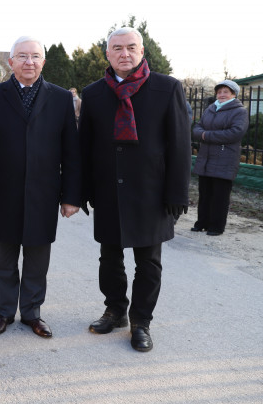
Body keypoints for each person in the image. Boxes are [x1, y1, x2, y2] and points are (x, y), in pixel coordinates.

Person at [79, 26, 190, 352]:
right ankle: (115, 310)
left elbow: (181, 146)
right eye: (117, 48)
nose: (124, 53)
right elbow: (84, 145)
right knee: (109, 257)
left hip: (152, 193)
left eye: (130, 47)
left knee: (148, 262)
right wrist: (83, 189)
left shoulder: (167, 88)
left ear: (142, 52)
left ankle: (142, 321)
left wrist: (177, 193)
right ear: (107, 53)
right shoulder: (94, 93)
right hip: (109, 190)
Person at [0, 36, 81, 339]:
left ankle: (32, 313)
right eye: (22, 56)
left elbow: (72, 151)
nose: (29, 61)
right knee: (2, 260)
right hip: (2, 193)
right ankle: (4, 312)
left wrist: (71, 196)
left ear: (43, 62)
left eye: (35, 56)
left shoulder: (60, 98)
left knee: (37, 259)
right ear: (11, 62)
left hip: (43, 194)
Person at [191, 79, 249, 236]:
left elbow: (235, 133)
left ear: (233, 94)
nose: (221, 94)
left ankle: (216, 226)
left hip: (225, 158)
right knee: (204, 193)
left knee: (220, 195)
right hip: (206, 157)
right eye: (219, 92)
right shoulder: (210, 109)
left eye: (225, 92)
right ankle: (201, 223)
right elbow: (197, 128)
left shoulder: (240, 111)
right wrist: (202, 133)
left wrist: (206, 135)